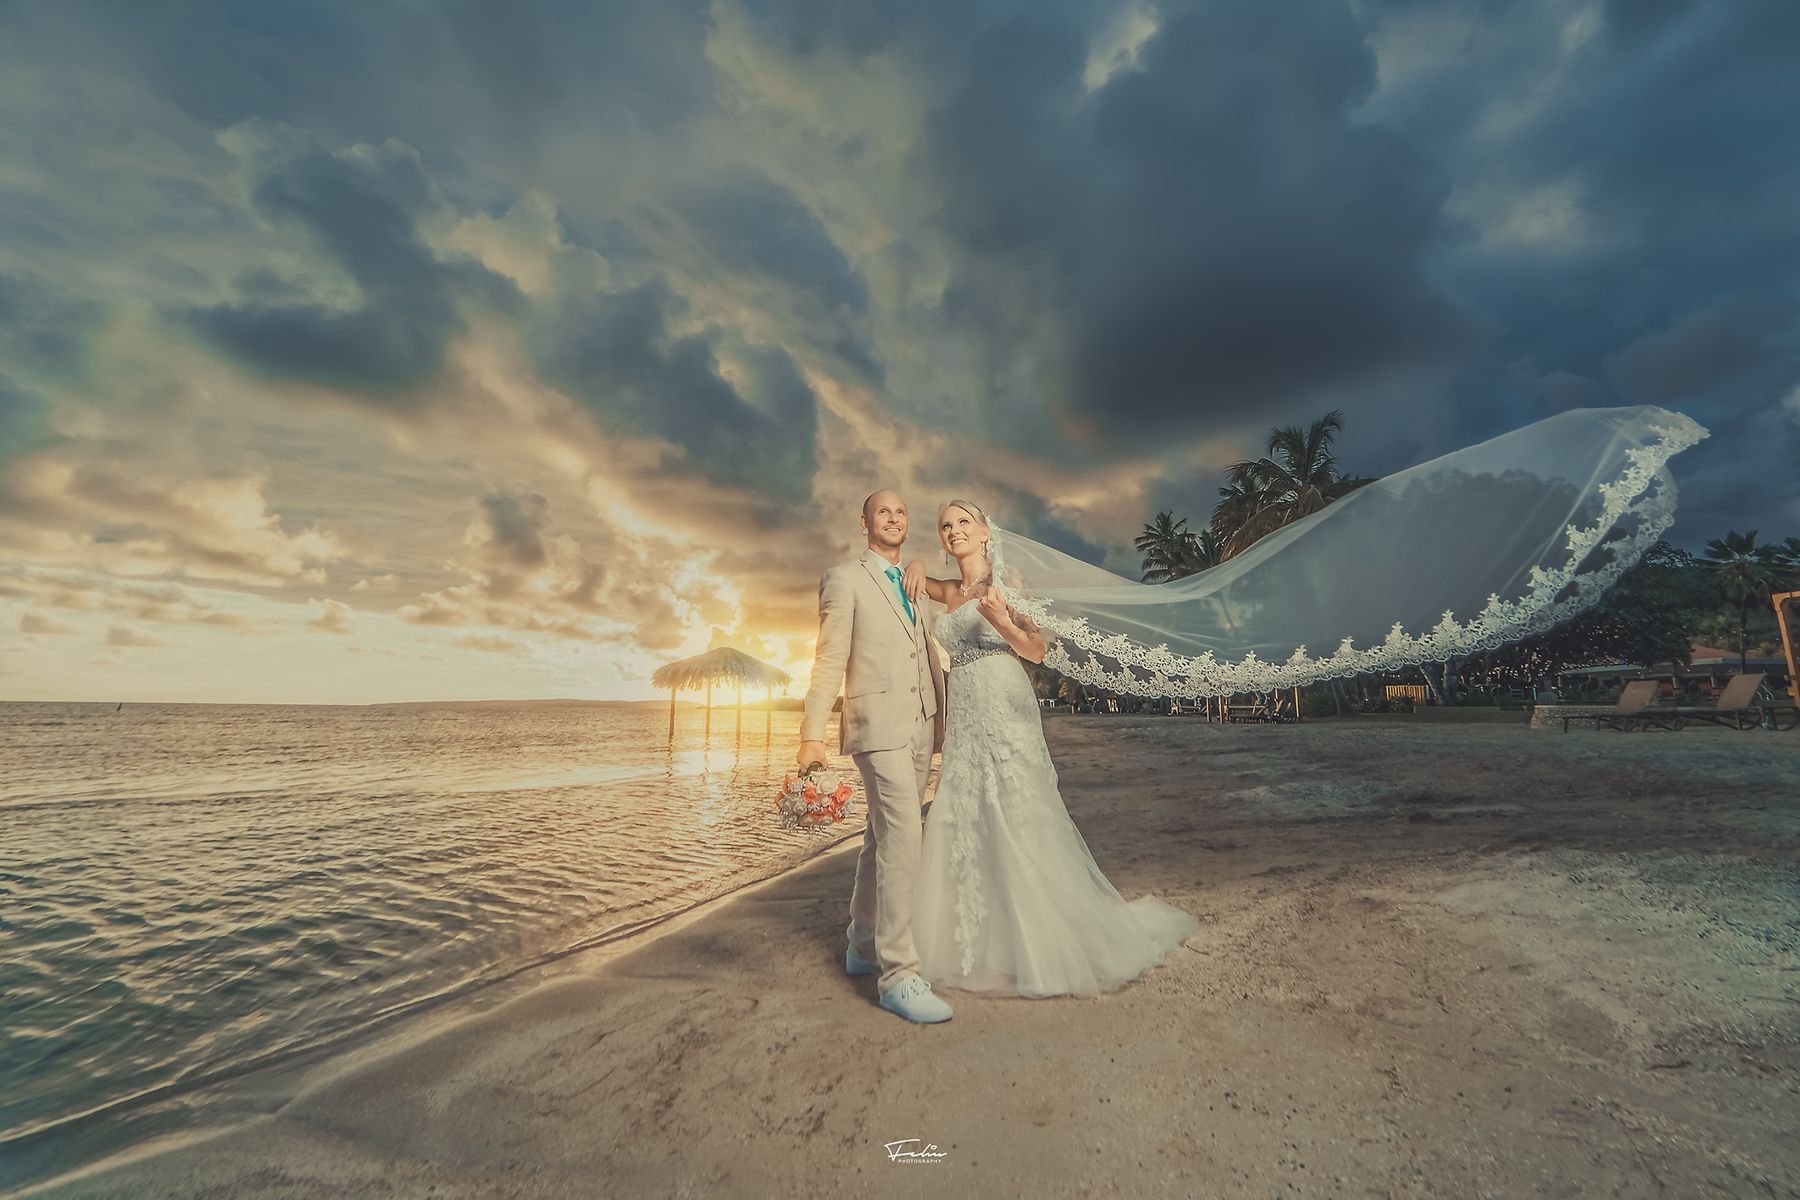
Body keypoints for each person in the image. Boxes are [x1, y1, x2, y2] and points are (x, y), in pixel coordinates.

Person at [900, 500, 1200, 997]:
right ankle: (979, 940)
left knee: (1019, 809)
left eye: (963, 523)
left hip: (1005, 698)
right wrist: (912, 564)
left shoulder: (1007, 584)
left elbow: (1036, 651)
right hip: (966, 710)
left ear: (984, 532)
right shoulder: (950, 590)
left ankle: (1041, 942)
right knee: (966, 810)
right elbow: (911, 579)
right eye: (946, 526)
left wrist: (999, 619)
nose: (954, 531)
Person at [797, 489, 953, 1024]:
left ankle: (861, 947)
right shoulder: (843, 578)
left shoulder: (914, 580)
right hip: (876, 726)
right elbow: (829, 659)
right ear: (864, 522)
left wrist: (941, 720)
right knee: (906, 833)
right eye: (882, 510)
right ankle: (899, 975)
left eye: (901, 511)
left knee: (879, 834)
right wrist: (810, 735)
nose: (893, 516)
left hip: (921, 722)